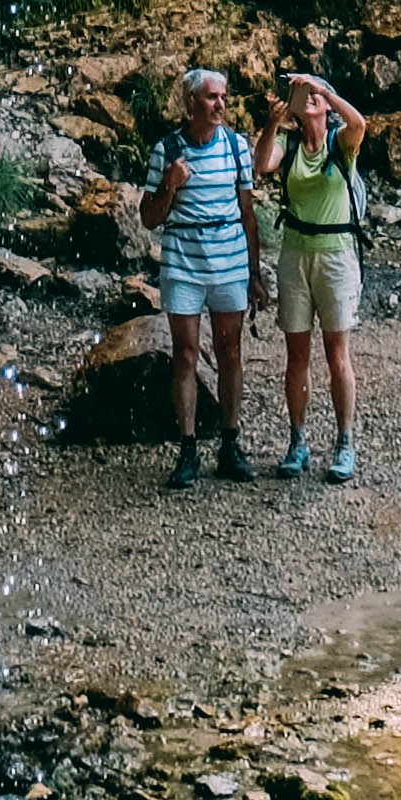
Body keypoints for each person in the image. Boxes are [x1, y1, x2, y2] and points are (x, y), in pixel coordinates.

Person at [141, 59, 261, 488]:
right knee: (186, 354)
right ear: (192, 102)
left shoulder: (236, 147)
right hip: (184, 263)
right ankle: (187, 449)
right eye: (213, 97)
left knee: (231, 351)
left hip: (229, 258)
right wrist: (170, 183)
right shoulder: (166, 151)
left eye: (224, 97)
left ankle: (230, 443)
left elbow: (248, 214)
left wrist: (255, 273)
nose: (221, 104)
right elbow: (149, 218)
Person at [256, 61, 373, 481]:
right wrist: (275, 120)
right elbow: (261, 164)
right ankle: (298, 440)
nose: (309, 101)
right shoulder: (289, 149)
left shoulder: (341, 144)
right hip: (295, 254)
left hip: (337, 255)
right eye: (305, 98)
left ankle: (344, 442)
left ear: (326, 108)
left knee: (337, 353)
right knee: (297, 355)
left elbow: (360, 122)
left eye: (316, 99)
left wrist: (323, 89)